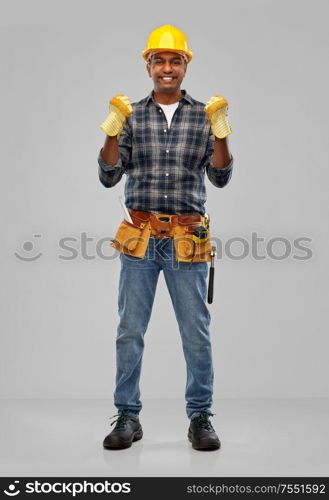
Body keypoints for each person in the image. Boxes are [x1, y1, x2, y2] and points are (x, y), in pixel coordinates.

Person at [97, 25, 233, 451]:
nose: (167, 68)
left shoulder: (203, 115)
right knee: (130, 330)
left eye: (175, 60)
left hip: (186, 239)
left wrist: (222, 131)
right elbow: (108, 175)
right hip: (140, 238)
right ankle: (127, 416)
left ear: (186, 65)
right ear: (149, 65)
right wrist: (113, 129)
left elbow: (221, 176)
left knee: (195, 331)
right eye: (160, 60)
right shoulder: (132, 114)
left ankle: (200, 417)